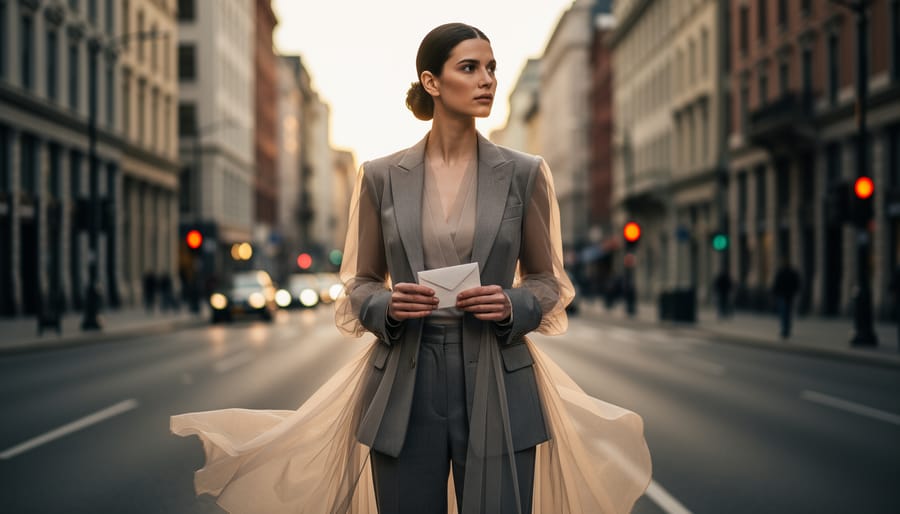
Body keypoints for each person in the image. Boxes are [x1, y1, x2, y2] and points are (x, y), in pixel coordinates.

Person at [171, 23, 650, 514]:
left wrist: (513, 302)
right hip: (404, 382)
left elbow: (550, 282)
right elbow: (358, 284)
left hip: (500, 382)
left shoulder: (524, 173)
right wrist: (386, 305)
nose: (487, 80)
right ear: (432, 82)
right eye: (470, 68)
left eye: (491, 69)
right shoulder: (380, 176)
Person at [772, 257, 801, 339]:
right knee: (787, 313)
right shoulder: (792, 272)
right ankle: (787, 329)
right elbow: (797, 283)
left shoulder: (781, 272)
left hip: (783, 295)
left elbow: (776, 284)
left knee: (784, 313)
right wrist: (795, 291)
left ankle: (785, 330)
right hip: (789, 295)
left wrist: (775, 293)